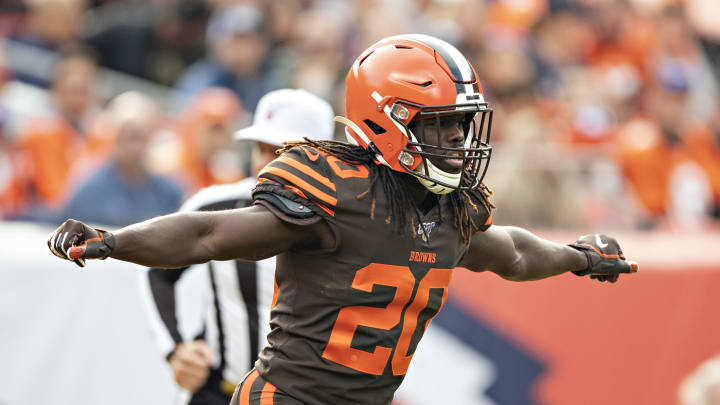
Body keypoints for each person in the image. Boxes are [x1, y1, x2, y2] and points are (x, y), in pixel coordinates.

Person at [47, 34, 638, 405]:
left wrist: (581, 257)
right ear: (390, 122)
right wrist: (112, 241)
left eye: (460, 124)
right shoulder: (338, 192)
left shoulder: (446, 210)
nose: (458, 139)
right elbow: (210, 233)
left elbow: (511, 254)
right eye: (440, 124)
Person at [144, 88, 334, 405]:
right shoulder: (216, 204)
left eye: (283, 152)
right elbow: (156, 270)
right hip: (220, 391)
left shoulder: (347, 221)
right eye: (262, 148)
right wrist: (174, 348)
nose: (267, 164)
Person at [61, 91, 183, 227]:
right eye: (129, 137)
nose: (135, 147)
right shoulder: (89, 186)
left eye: (141, 137)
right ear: (114, 137)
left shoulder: (168, 191)